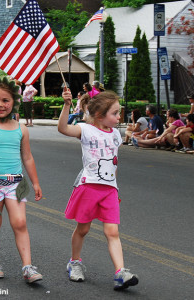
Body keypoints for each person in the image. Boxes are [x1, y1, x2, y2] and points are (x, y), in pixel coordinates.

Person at [58, 88, 139, 291]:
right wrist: (67, 105)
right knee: (83, 229)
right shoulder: (85, 129)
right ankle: (74, 262)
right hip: (88, 187)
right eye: (115, 113)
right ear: (99, 115)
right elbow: (63, 129)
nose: (118, 116)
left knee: (112, 231)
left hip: (109, 189)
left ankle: (120, 272)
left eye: (118, 112)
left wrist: (115, 187)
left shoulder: (116, 136)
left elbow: (114, 164)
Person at [0, 75, 43, 283]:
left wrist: (36, 182)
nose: (0, 105)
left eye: (5, 100)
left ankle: (28, 267)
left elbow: (27, 157)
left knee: (20, 222)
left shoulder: (21, 129)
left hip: (16, 183)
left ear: (14, 102)